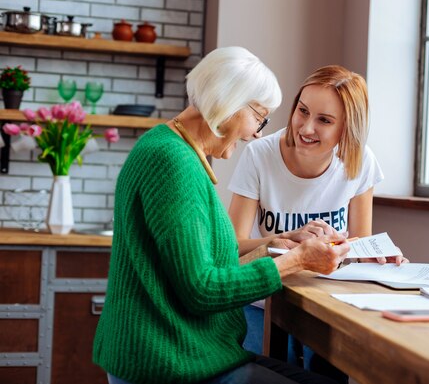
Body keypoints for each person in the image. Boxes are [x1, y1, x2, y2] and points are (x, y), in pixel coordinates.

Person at [92, 47, 351, 384]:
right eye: (258, 117)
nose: (258, 132)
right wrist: (297, 261)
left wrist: (279, 242)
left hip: (183, 353)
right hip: (168, 362)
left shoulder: (171, 149)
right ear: (229, 104)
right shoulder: (172, 163)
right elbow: (202, 289)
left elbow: (204, 266)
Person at [228, 65, 408, 380]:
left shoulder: (360, 161)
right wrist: (286, 238)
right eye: (302, 111)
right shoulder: (260, 155)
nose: (306, 128)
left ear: (347, 128)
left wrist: (380, 256)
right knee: (265, 372)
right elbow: (231, 247)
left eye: (324, 120)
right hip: (263, 299)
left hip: (325, 298)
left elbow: (357, 246)